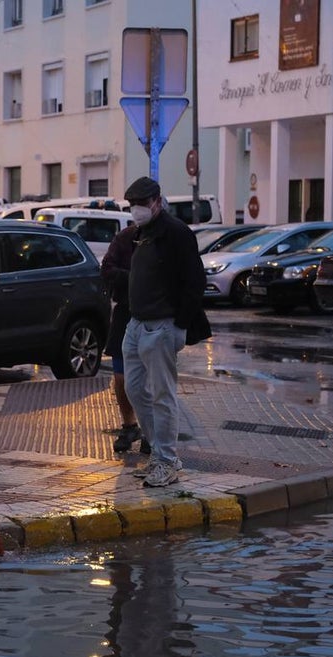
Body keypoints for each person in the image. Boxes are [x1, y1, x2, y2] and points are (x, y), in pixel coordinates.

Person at [120, 177, 204, 488]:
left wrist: (179, 324)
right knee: (136, 390)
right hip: (137, 324)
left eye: (141, 204)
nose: (136, 210)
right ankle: (158, 454)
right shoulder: (142, 232)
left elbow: (195, 281)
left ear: (157, 201)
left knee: (162, 395)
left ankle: (167, 461)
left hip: (162, 325)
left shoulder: (176, 233)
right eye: (132, 205)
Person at [100, 222, 148, 455]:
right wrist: (135, 278)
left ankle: (152, 430)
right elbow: (107, 268)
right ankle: (129, 425)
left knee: (151, 379)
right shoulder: (125, 237)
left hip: (154, 314)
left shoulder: (169, 236)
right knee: (121, 376)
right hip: (125, 311)